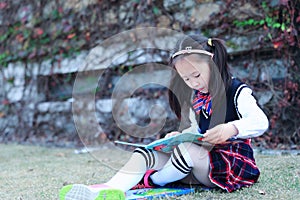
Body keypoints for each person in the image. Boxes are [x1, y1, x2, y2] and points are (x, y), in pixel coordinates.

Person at [59, 35, 269, 200]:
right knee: (145, 153)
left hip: (229, 164)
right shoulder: (197, 98)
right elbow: (196, 131)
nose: (193, 83)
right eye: (186, 79)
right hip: (199, 162)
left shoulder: (236, 90)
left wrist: (231, 128)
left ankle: (151, 181)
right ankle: (109, 189)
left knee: (187, 151)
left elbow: (260, 121)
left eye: (197, 75)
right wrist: (180, 136)